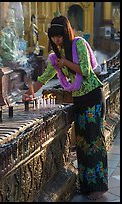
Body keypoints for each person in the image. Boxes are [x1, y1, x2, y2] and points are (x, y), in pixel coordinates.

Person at [22, 15, 108, 200]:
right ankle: (86, 186)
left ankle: (98, 188)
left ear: (66, 33)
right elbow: (45, 78)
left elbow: (85, 70)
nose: (56, 40)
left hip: (92, 96)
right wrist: (31, 92)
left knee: (94, 142)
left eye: (59, 36)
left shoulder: (78, 44)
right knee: (83, 144)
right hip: (79, 100)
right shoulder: (57, 56)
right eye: (53, 37)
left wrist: (65, 63)